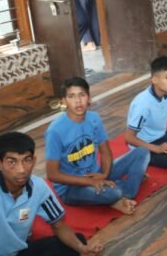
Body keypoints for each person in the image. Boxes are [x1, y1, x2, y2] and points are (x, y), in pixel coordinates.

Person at [45, 77, 150, 214]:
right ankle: (118, 195)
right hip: (71, 187)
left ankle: (121, 193)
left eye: (82, 95)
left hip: (97, 174)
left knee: (142, 152)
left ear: (89, 98)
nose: (78, 101)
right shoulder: (55, 131)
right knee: (115, 193)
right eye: (71, 96)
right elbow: (52, 174)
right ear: (64, 101)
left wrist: (104, 175)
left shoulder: (94, 118)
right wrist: (90, 182)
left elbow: (105, 151)